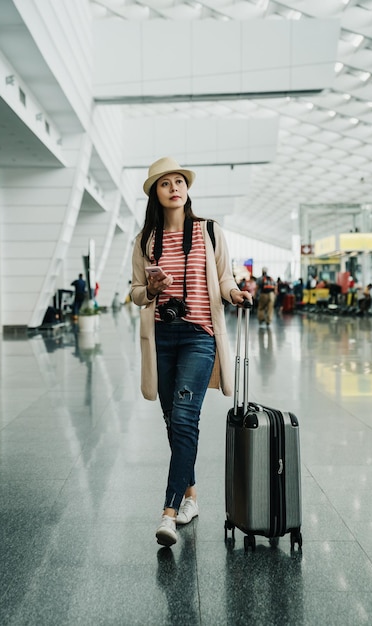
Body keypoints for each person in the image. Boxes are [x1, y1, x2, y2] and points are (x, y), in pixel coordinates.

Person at [130, 156, 252, 548]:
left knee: (184, 416)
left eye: (179, 181)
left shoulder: (208, 231)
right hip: (162, 339)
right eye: (165, 183)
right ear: (156, 193)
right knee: (172, 420)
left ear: (187, 189)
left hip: (199, 336)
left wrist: (234, 293)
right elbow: (134, 292)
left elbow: (224, 276)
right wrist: (150, 289)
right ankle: (191, 498)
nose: (174, 187)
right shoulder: (146, 240)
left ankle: (168, 513)